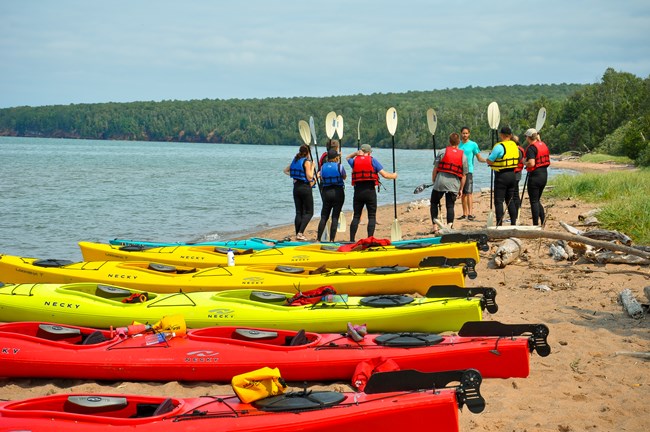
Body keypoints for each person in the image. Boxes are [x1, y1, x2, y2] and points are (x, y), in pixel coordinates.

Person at [346, 144, 397, 241]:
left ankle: (351, 240)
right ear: (369, 152)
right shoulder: (372, 160)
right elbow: (385, 175)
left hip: (358, 192)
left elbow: (347, 157)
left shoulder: (354, 161)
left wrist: (355, 154)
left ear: (360, 151)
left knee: (356, 216)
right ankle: (369, 239)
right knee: (372, 216)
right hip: (370, 192)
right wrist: (394, 176)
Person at [431, 132, 467, 233]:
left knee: (434, 202)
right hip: (454, 184)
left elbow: (435, 168)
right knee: (450, 206)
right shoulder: (463, 156)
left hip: (440, 182)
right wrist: (461, 189)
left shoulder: (442, 152)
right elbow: (464, 175)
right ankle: (449, 225)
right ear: (459, 142)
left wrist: (434, 179)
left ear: (449, 141)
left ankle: (435, 226)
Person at [486, 126, 519, 226]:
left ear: (501, 135)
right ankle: (514, 223)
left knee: (499, 201)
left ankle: (499, 224)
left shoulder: (499, 146)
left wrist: (489, 158)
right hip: (512, 175)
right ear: (510, 135)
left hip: (502, 176)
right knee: (510, 200)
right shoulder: (514, 145)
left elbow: (490, 160)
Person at [283, 144, 315, 240]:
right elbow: (309, 177)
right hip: (305, 188)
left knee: (299, 212)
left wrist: (295, 176)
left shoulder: (295, 160)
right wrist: (313, 166)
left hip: (296, 188)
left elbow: (285, 170)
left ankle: (298, 233)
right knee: (309, 212)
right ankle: (300, 233)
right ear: (308, 152)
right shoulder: (306, 162)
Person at [316, 147, 347, 241]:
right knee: (335, 216)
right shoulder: (339, 166)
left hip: (326, 192)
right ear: (336, 157)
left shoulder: (322, 167)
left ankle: (318, 239)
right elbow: (344, 177)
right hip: (338, 192)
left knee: (324, 216)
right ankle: (332, 240)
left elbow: (321, 177)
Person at [523, 128, 551, 225]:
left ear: (528, 137)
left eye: (526, 136)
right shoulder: (543, 144)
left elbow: (531, 163)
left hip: (535, 176)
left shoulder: (531, 148)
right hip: (544, 174)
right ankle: (543, 221)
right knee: (537, 200)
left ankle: (535, 224)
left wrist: (524, 162)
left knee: (534, 201)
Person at [457, 126, 485, 221]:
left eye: (466, 133)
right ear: (461, 134)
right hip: (459, 171)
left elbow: (479, 158)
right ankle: (464, 214)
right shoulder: (458, 145)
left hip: (468, 171)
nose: (465, 135)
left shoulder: (473, 144)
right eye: (463, 133)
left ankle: (470, 213)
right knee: (462, 193)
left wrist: (488, 161)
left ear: (469, 134)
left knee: (469, 193)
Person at [509, 134, 525, 224]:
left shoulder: (517, 149)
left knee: (514, 195)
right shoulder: (519, 149)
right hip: (517, 173)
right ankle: (515, 214)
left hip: (515, 173)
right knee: (515, 194)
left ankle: (515, 216)